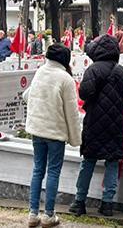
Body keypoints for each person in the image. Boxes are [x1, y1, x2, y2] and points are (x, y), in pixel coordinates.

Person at [69, 35, 123, 218]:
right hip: (118, 124)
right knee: (112, 162)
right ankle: (107, 204)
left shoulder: (93, 70)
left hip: (95, 123)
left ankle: (79, 202)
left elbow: (84, 93)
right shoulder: (121, 72)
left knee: (88, 162)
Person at [22, 44, 81, 228]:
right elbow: (72, 113)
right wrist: (76, 139)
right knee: (53, 171)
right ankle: (48, 215)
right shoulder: (65, 78)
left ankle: (33, 214)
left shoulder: (40, 72)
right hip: (55, 132)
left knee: (38, 170)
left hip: (37, 130)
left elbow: (26, 95)